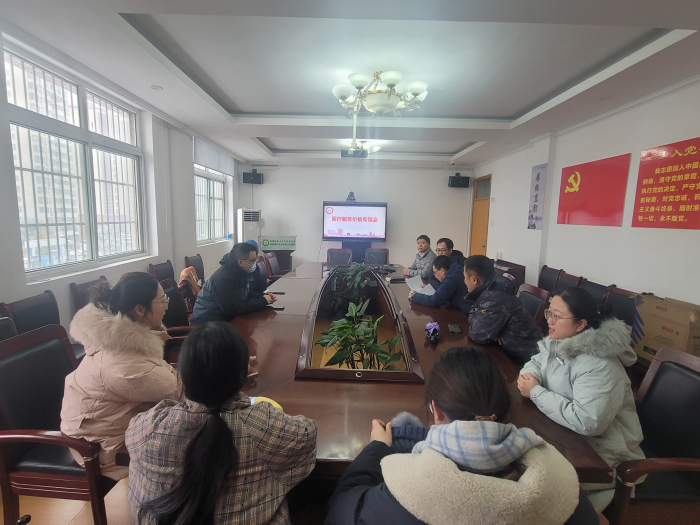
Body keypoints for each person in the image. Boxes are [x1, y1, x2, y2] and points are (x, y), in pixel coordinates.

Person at [326, 346, 598, 525]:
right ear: (506, 408)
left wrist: (376, 447)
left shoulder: (405, 492)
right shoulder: (563, 485)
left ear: (435, 411)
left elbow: (342, 510)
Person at [127, 322, 317, 525]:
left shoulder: (149, 426)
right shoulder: (263, 426)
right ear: (243, 374)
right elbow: (308, 432)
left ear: (182, 374)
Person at [518, 287, 645, 512]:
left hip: (603, 455)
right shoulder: (560, 339)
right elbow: (537, 361)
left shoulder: (600, 364)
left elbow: (588, 421)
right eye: (549, 312)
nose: (549, 320)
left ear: (581, 324)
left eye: (556, 316)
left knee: (535, 485)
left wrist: (536, 392)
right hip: (566, 434)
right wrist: (531, 375)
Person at [60, 272, 180, 480]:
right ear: (140, 310)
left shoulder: (118, 339)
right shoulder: (122, 363)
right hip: (103, 450)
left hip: (113, 427)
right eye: (163, 300)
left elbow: (164, 379)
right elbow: (180, 391)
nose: (166, 307)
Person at [464, 255, 541, 365]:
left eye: (464, 277)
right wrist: (488, 330)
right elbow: (473, 312)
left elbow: (477, 334)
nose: (464, 281)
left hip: (524, 360)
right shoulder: (488, 287)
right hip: (507, 350)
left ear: (474, 280)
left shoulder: (495, 296)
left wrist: (486, 329)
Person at [190, 242, 277, 325]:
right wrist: (262, 301)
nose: (255, 264)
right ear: (240, 262)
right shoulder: (223, 279)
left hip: (224, 319)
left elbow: (246, 293)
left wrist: (262, 296)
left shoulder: (240, 271)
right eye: (252, 261)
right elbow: (233, 308)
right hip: (208, 325)